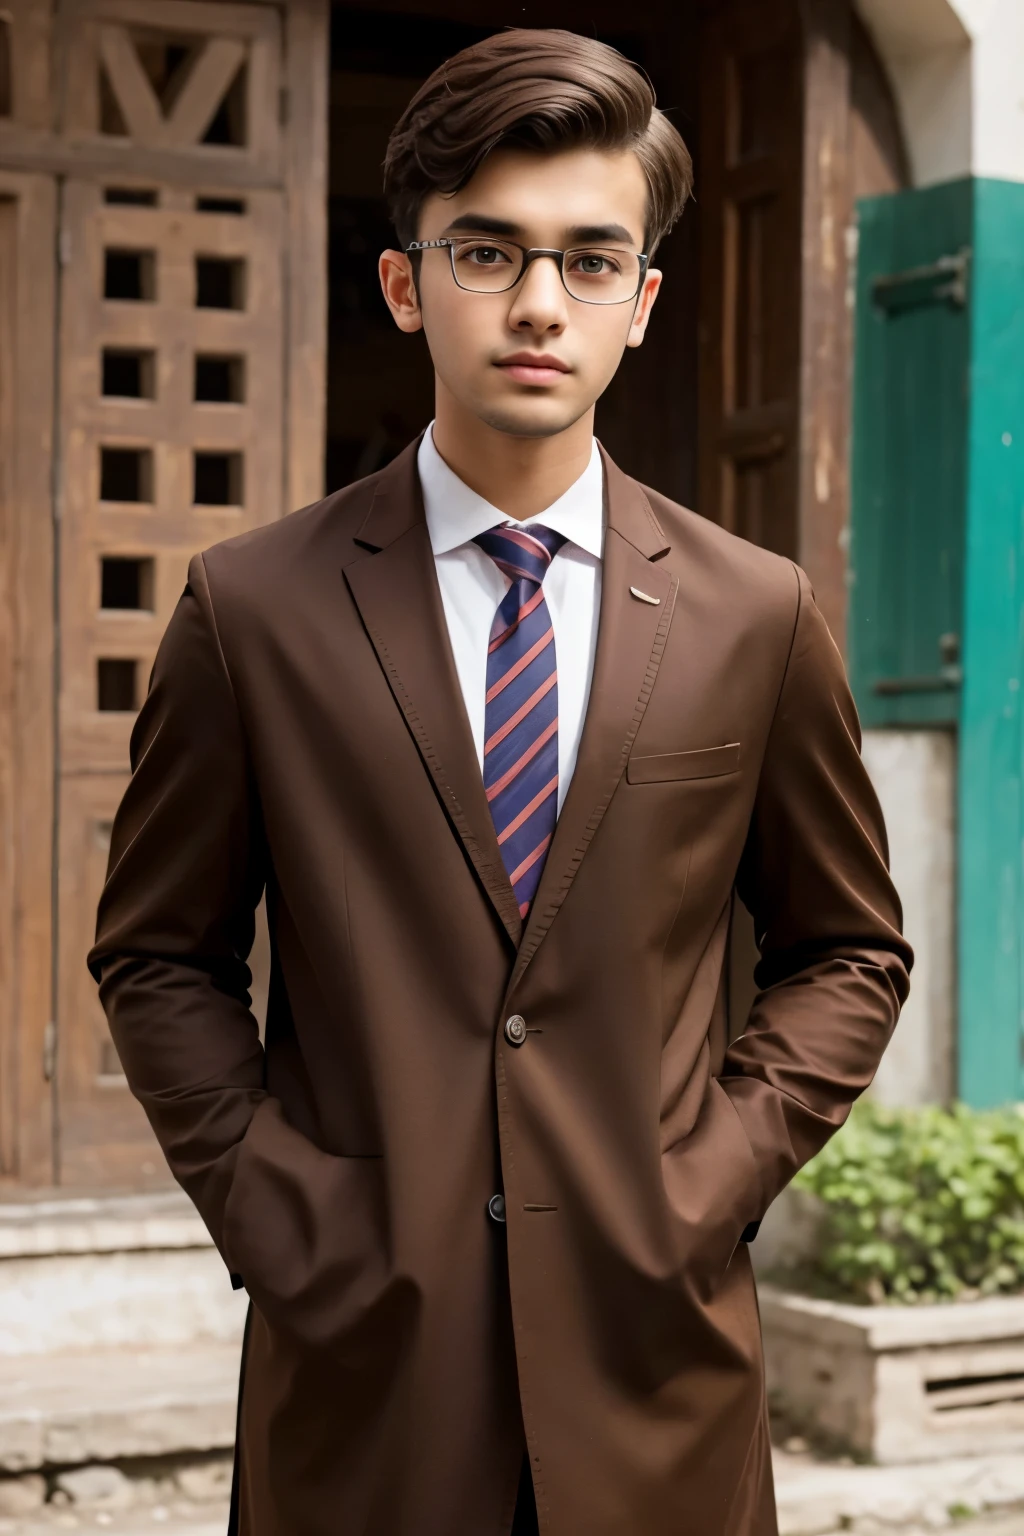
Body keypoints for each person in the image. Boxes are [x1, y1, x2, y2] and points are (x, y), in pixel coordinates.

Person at [89, 28, 911, 1536]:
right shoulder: (253, 609)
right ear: (406, 282)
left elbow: (850, 950)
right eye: (489, 250)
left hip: (657, 1374)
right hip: (365, 1382)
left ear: (643, 304)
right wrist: (282, 1214)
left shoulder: (753, 613)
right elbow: (157, 956)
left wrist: (705, 1186)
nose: (541, 302)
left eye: (593, 260)